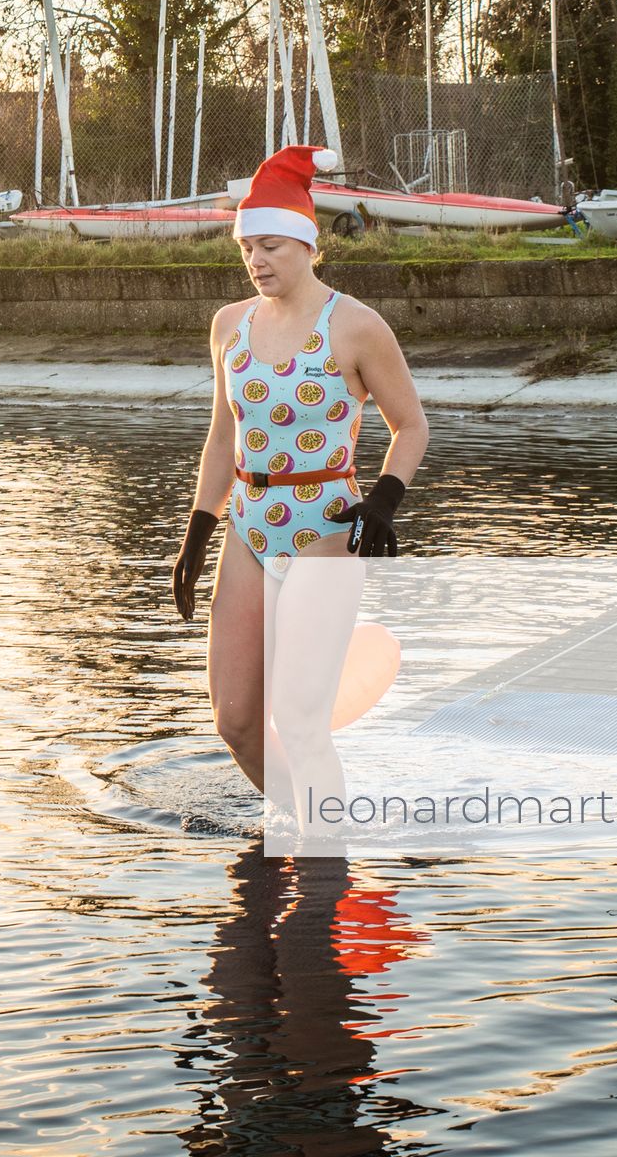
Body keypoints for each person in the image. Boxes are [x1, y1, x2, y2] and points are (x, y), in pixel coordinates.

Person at [171, 146, 429, 819]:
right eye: (246, 249)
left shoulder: (356, 326)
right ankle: (308, 823)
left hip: (328, 528)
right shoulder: (230, 326)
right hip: (250, 526)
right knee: (235, 720)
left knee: (300, 718)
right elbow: (223, 438)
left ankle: (324, 853)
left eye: (271, 246)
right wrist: (199, 530)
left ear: (309, 245)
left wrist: (384, 500)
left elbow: (411, 427)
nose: (256, 261)